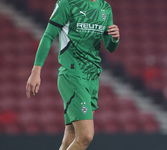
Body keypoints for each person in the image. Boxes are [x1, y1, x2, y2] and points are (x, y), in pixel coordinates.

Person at [26, 0, 120, 149]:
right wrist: (36, 71)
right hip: (72, 74)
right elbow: (48, 35)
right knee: (85, 137)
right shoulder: (67, 3)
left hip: (93, 77)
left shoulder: (105, 8)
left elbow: (110, 47)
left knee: (70, 137)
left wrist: (114, 38)